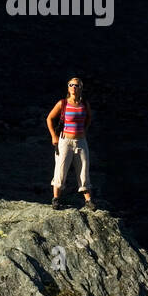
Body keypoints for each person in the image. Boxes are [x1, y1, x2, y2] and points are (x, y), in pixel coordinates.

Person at [46, 77, 95, 210]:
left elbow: (89, 117)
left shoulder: (84, 104)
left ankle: (88, 201)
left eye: (77, 85)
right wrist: (53, 136)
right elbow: (49, 118)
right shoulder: (63, 103)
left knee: (83, 169)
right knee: (61, 169)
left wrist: (84, 130)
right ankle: (56, 199)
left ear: (81, 88)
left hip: (81, 141)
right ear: (68, 88)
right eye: (71, 85)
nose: (74, 87)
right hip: (65, 141)